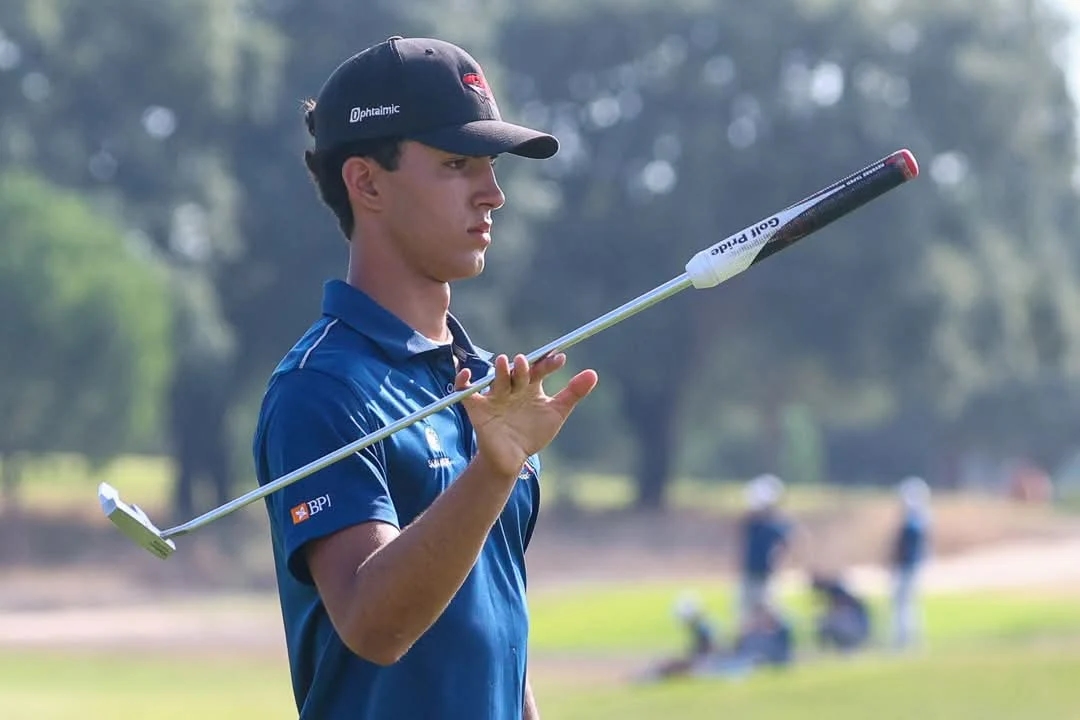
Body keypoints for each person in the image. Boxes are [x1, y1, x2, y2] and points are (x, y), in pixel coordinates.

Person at [250, 36, 599, 720]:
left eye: (491, 167)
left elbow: (496, 634)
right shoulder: (320, 388)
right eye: (457, 164)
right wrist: (492, 472)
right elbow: (373, 626)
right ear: (367, 182)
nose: (494, 194)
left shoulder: (483, 385)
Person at [735, 474, 793, 627]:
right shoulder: (755, 524)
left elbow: (789, 538)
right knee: (746, 612)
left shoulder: (771, 526)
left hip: (764, 575)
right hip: (751, 573)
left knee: (768, 610)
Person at [890, 476, 931, 651]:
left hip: (908, 567)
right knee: (906, 605)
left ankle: (906, 640)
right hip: (908, 566)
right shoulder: (919, 519)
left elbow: (904, 547)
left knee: (905, 605)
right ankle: (907, 639)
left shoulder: (914, 522)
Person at [810, 573, 871, 654]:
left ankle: (845, 647)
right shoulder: (836, 593)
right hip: (853, 627)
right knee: (824, 622)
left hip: (856, 629)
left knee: (824, 623)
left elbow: (841, 612)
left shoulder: (838, 595)